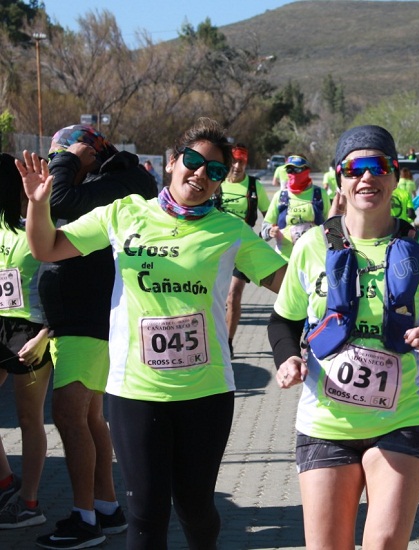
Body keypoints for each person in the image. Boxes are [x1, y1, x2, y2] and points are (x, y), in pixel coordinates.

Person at [17, 117, 287, 550]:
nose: (201, 175)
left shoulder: (230, 231)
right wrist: (37, 203)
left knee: (197, 509)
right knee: (146, 512)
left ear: (221, 182)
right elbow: (47, 247)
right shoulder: (125, 212)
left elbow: (287, 285)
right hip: (137, 392)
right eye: (194, 163)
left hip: (206, 390)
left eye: (214, 171)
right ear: (171, 163)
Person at [267, 124, 419, 549]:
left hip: (402, 419)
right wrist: (287, 359)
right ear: (339, 178)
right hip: (325, 421)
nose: (367, 178)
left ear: (395, 176)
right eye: (355, 169)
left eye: (379, 167)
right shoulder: (312, 246)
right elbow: (282, 321)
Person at [34, 125, 158, 550]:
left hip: (89, 319)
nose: (57, 166)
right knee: (88, 418)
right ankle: (105, 508)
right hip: (78, 318)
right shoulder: (111, 181)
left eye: (61, 157)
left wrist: (69, 161)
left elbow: (62, 200)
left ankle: (83, 518)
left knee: (69, 416)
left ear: (90, 151)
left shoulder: (118, 184)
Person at [0, 154, 52, 530]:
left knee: (28, 420)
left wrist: (45, 334)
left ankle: (29, 502)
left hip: (31, 333)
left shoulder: (37, 229)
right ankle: (6, 484)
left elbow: (63, 286)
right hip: (0, 329)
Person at [218, 143, 270, 357]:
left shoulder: (254, 186)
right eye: (234, 161)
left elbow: (270, 215)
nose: (237, 166)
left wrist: (270, 232)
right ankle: (216, 338)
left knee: (233, 295)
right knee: (215, 298)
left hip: (242, 249)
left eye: (242, 161)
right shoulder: (217, 183)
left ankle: (228, 343)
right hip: (217, 248)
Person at [260, 154, 330, 260]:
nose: (292, 174)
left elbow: (331, 224)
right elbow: (265, 227)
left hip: (313, 258)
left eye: (296, 170)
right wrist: (270, 231)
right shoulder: (280, 196)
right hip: (285, 258)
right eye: (289, 170)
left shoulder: (320, 194)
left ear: (307, 170)